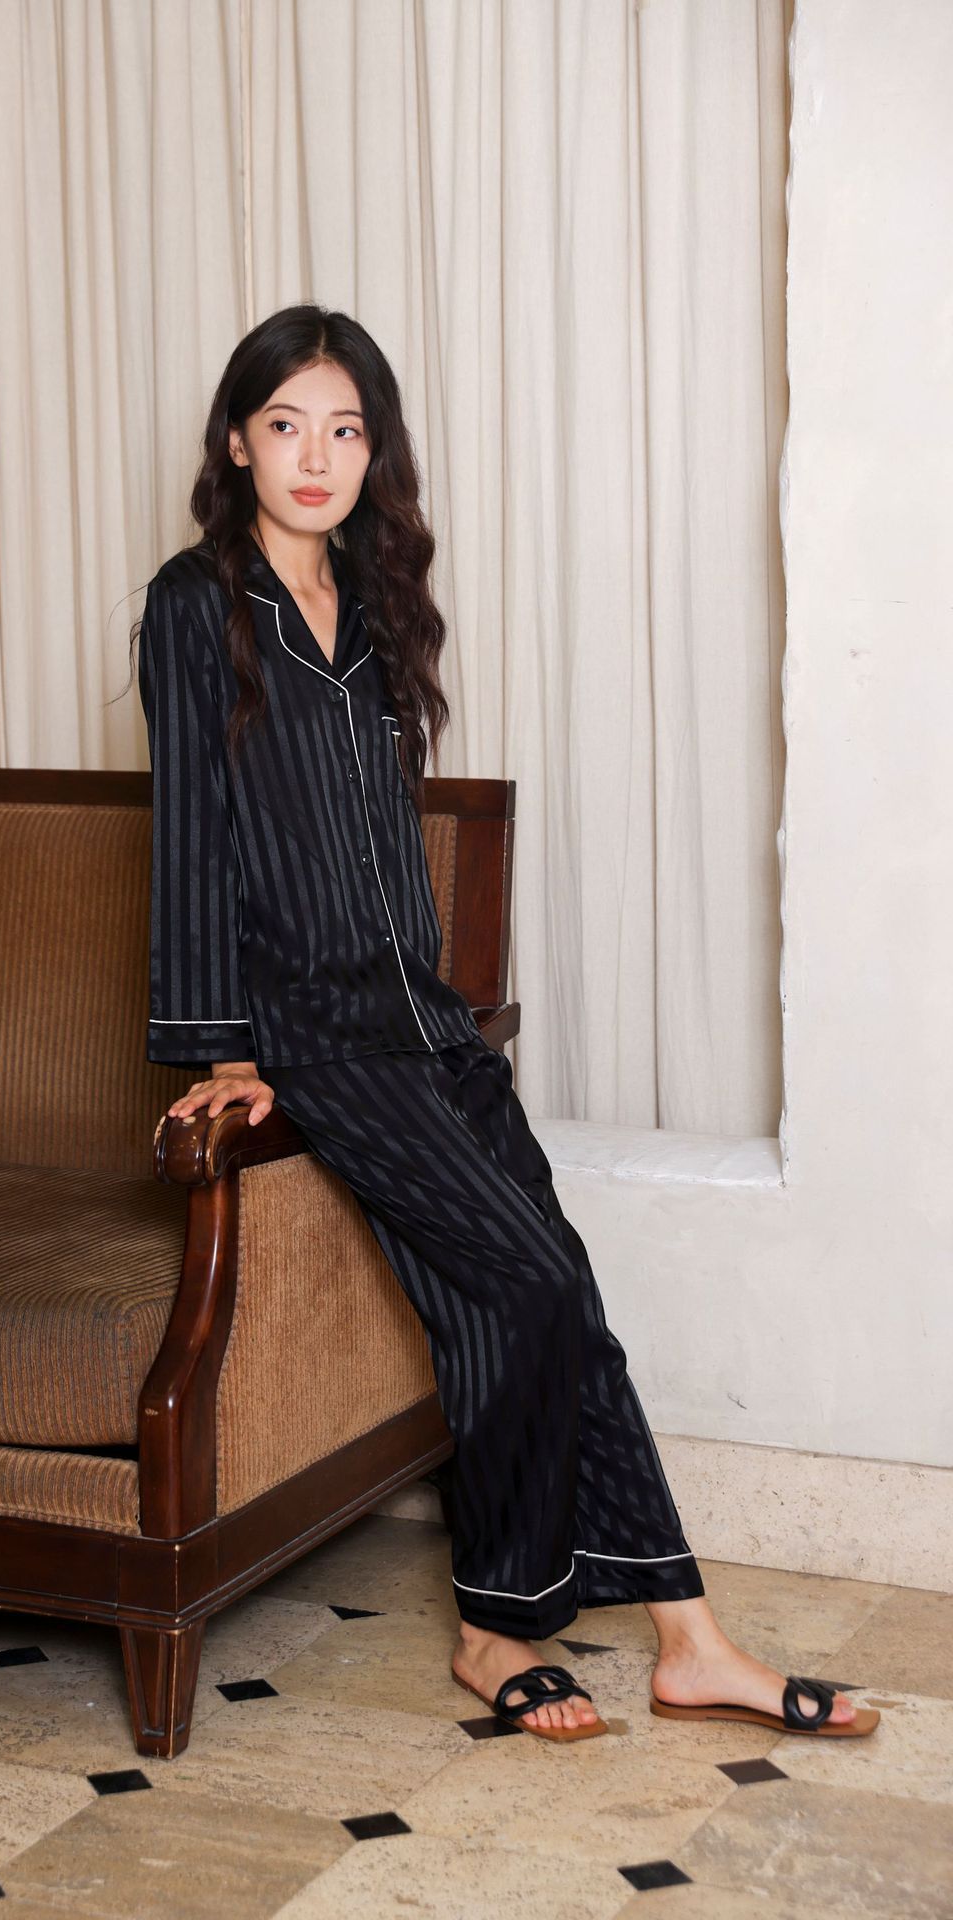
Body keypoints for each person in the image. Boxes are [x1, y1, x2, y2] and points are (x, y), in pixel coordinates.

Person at [133, 302, 876, 1744]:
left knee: (558, 1293)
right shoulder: (195, 603)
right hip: (316, 1036)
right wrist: (224, 1050)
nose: (315, 456)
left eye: (345, 430)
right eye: (285, 425)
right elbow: (192, 836)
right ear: (236, 442)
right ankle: (497, 1627)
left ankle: (691, 1643)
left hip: (426, 1023)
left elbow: (381, 838)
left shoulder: (375, 602)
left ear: (375, 455)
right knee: (528, 1283)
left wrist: (444, 1008)